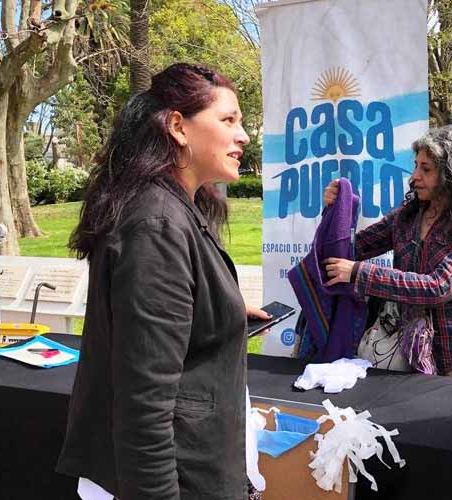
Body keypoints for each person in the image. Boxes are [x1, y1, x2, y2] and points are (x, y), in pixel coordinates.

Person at [56, 63, 269, 500]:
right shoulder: (157, 224)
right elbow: (144, 408)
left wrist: (222, 310)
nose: (243, 136)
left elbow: (163, 323)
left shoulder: (173, 210)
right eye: (228, 120)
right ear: (178, 126)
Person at [322, 126, 452, 382]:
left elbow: (438, 287)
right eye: (416, 166)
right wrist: (335, 210)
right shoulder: (407, 217)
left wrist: (359, 273)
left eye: (426, 169)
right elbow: (350, 248)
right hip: (410, 357)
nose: (414, 176)